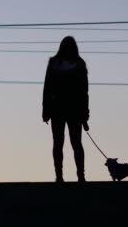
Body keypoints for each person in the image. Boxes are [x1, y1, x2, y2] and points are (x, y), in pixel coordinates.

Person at [42, 36, 89, 183]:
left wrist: (85, 113)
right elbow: (47, 88)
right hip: (58, 109)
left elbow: (84, 91)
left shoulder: (79, 64)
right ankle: (60, 175)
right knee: (59, 143)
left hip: (73, 110)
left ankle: (80, 175)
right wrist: (46, 110)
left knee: (75, 143)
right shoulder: (54, 63)